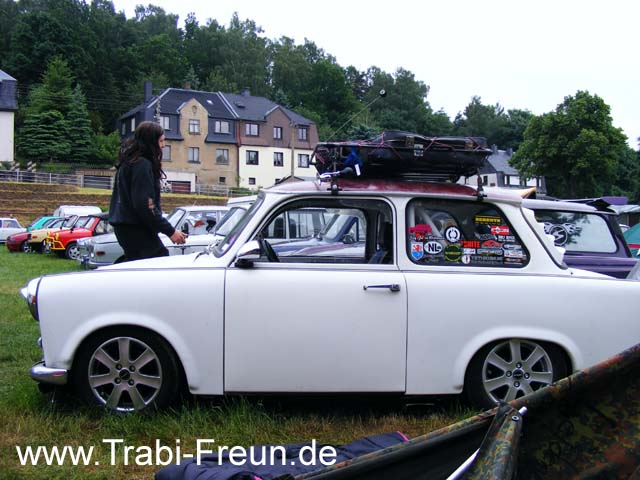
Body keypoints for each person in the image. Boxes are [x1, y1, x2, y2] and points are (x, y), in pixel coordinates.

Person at [109, 121, 186, 261]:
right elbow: (145, 205)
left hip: (126, 228)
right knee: (158, 261)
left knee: (137, 264)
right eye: (161, 141)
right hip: (135, 228)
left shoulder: (129, 162)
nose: (163, 145)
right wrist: (171, 231)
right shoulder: (142, 165)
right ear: (151, 141)